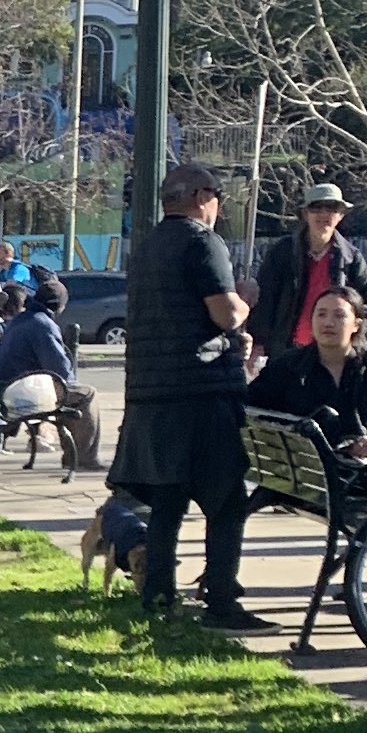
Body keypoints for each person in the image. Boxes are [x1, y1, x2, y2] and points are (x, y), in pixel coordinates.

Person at [113, 158, 266, 629]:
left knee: (167, 502)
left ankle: (158, 593)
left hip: (152, 394)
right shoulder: (204, 242)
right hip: (203, 393)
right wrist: (244, 299)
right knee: (226, 503)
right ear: (201, 197)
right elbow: (224, 314)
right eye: (217, 196)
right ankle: (221, 599)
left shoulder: (146, 248)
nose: (219, 206)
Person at [245, 180, 367, 355]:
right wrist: (259, 344)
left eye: (330, 208)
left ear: (341, 215)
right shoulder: (283, 252)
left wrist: (349, 337)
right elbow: (265, 300)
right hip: (286, 352)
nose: (323, 214)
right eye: (316, 208)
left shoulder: (352, 258)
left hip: (334, 354)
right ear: (305, 214)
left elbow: (366, 308)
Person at [246, 280, 367, 458]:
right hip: (302, 468)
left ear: (357, 325)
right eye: (321, 314)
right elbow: (252, 408)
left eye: (339, 315)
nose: (328, 323)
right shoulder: (288, 366)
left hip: (365, 471)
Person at [0, 274, 99, 474]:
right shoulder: (43, 324)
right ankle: (83, 459)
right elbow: (60, 371)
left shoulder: (20, 319)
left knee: (68, 393)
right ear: (59, 306)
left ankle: (72, 455)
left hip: (5, 389)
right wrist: (71, 387)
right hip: (20, 395)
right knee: (86, 394)